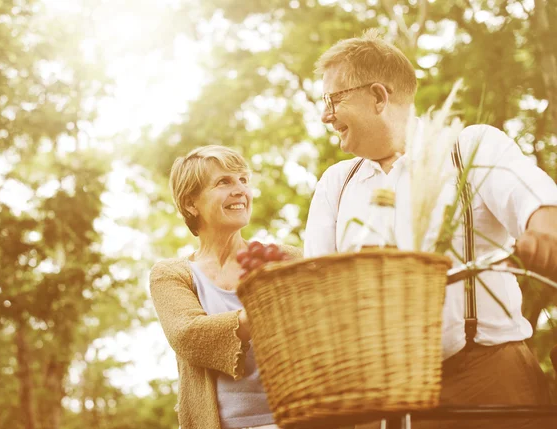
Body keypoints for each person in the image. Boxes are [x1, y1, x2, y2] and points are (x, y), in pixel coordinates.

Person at [305, 30, 557, 428]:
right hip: (380, 399)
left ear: (378, 96)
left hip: (490, 384)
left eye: (334, 99)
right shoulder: (336, 185)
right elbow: (315, 287)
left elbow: (533, 198)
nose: (325, 114)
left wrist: (544, 227)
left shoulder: (469, 147)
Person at [149, 145, 302, 429]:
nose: (240, 190)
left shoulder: (284, 259)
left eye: (244, 180)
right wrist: (263, 310)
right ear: (191, 203)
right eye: (224, 182)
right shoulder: (171, 274)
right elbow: (189, 335)